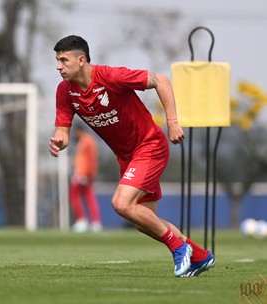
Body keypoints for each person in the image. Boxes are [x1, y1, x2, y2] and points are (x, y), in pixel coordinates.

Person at [48, 35, 215, 277]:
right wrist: (58, 142)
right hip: (127, 157)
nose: (58, 66)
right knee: (143, 221)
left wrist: (173, 122)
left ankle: (178, 248)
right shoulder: (65, 92)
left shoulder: (111, 76)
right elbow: (62, 131)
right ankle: (200, 256)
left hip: (150, 146)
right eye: (57, 60)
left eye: (63, 60)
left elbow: (161, 80)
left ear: (81, 60)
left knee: (120, 203)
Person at [69, 125, 102, 232]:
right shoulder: (85, 140)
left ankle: (82, 220)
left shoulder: (87, 141)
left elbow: (91, 158)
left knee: (74, 196)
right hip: (83, 173)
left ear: (79, 130)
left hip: (83, 174)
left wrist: (86, 174)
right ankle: (95, 222)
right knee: (88, 196)